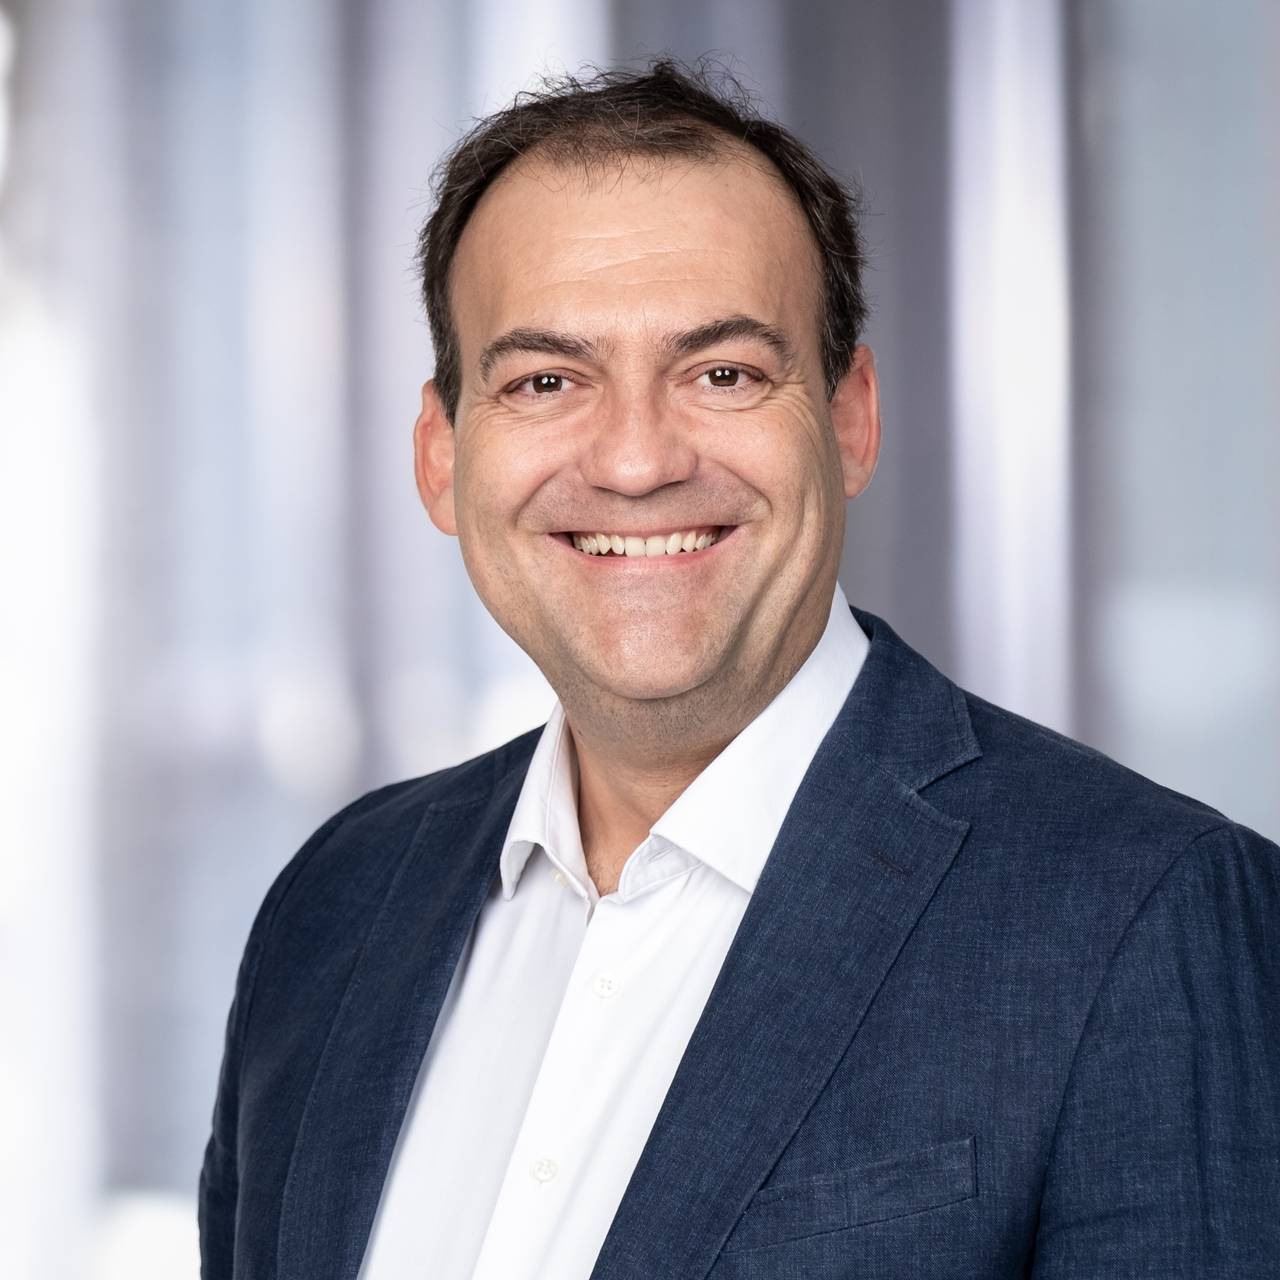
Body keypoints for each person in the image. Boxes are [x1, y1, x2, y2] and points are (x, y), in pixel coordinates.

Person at [197, 60, 1280, 1280]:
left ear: (849, 417)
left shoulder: (1147, 914)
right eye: (545, 380)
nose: (635, 460)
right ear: (441, 455)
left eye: (722, 373)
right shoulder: (335, 907)